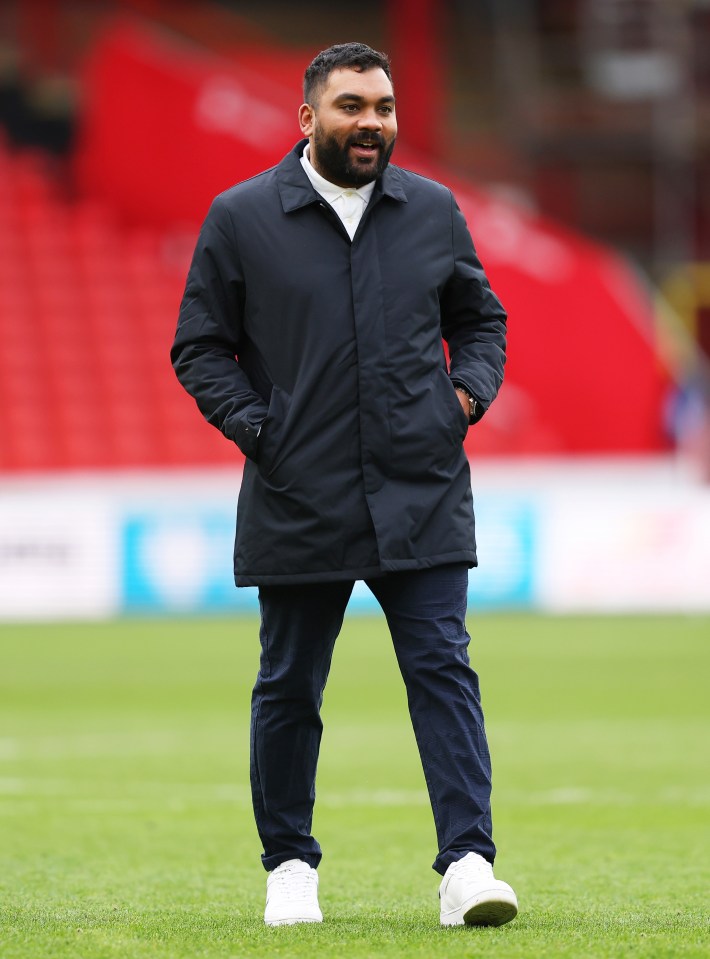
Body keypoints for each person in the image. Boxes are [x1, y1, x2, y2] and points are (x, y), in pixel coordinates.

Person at [171, 41, 517, 929]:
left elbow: (481, 317)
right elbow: (200, 348)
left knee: (443, 669)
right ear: (308, 119)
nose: (372, 123)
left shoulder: (434, 211)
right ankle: (289, 864)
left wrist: (465, 396)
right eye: (353, 106)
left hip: (422, 484)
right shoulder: (241, 216)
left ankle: (468, 864)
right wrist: (262, 431)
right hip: (301, 492)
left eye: (385, 107)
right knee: (289, 683)